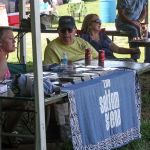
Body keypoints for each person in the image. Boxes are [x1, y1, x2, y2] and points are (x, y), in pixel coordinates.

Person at [0, 27, 25, 147]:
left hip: (5, 93)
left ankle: (7, 134)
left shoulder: (3, 56)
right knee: (21, 102)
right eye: (10, 39)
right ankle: (7, 135)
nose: (14, 41)